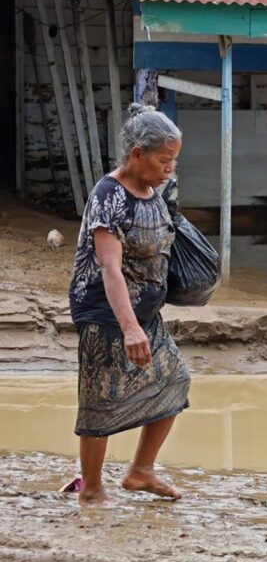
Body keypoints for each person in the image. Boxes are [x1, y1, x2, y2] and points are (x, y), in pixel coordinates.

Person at [68, 103, 190, 505]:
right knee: (100, 397)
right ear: (137, 154)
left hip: (145, 310)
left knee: (174, 380)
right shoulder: (109, 196)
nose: (169, 168)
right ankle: (92, 490)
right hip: (106, 311)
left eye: (173, 160)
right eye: (164, 160)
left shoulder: (155, 192)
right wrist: (130, 328)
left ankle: (141, 471)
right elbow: (110, 268)